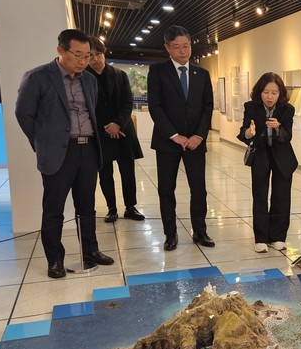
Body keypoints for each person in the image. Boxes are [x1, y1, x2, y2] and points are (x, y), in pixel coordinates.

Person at [15, 29, 115, 278]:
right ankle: (55, 260)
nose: (83, 61)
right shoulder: (38, 77)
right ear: (60, 50)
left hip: (88, 148)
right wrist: (43, 143)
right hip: (59, 152)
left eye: (87, 56)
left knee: (87, 206)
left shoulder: (89, 80)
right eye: (78, 55)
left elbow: (90, 111)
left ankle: (91, 251)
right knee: (54, 208)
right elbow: (24, 114)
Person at [147, 25, 214, 251]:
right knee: (166, 189)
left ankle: (200, 231)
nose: (183, 51)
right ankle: (170, 233)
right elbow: (155, 107)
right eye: (177, 47)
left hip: (195, 142)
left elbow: (207, 107)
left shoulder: (202, 74)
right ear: (168, 48)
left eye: (186, 46)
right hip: (167, 141)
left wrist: (199, 135)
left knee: (199, 188)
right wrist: (174, 135)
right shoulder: (158, 72)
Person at [86, 38, 145, 224]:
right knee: (105, 173)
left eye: (98, 54)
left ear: (104, 54)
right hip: (100, 132)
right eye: (91, 56)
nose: (95, 59)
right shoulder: (84, 77)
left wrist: (118, 124)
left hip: (123, 131)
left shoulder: (119, 75)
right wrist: (106, 126)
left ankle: (130, 207)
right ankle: (111, 208)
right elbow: (87, 107)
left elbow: (128, 102)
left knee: (128, 172)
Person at [237, 73, 298, 252]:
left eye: (274, 93)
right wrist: (249, 133)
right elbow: (243, 132)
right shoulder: (251, 107)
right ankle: (261, 238)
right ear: (259, 92)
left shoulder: (288, 109)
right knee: (260, 196)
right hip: (261, 156)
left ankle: (277, 237)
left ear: (280, 94)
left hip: (282, 158)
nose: (269, 97)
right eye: (265, 92)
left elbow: (287, 136)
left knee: (281, 197)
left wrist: (278, 128)